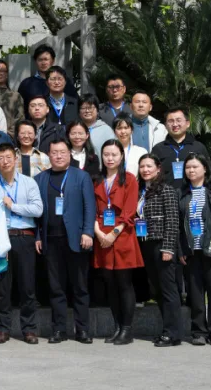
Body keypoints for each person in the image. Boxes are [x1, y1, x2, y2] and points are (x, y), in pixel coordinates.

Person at [35, 138, 96, 344]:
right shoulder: (41, 178)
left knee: (80, 287)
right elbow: (36, 213)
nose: (59, 156)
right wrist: (38, 236)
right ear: (49, 155)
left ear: (70, 154)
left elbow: (90, 206)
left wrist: (88, 232)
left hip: (77, 239)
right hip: (51, 240)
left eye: (62, 152)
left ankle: (82, 330)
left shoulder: (81, 176)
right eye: (54, 152)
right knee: (56, 288)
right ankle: (59, 330)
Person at [0, 143, 43, 345]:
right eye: (1, 158)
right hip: (3, 239)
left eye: (8, 157)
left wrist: (13, 206)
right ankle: (3, 329)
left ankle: (29, 329)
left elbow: (38, 210)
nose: (5, 161)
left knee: (27, 287)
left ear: (16, 159)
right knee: (2, 288)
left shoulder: (29, 183)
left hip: (25, 237)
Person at [92, 140, 143, 345]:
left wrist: (114, 233)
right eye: (106, 154)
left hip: (122, 236)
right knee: (110, 284)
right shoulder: (97, 180)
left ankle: (127, 329)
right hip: (101, 236)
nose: (110, 158)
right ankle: (117, 327)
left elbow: (130, 211)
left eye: (114, 154)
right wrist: (98, 233)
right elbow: (92, 209)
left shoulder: (129, 179)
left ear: (121, 156)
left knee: (124, 283)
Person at [180, 154, 211, 347]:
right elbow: (178, 226)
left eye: (195, 167)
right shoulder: (182, 194)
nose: (191, 170)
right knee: (195, 293)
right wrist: (181, 250)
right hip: (192, 252)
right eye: (188, 167)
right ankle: (198, 331)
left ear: (205, 169)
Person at [136, 154, 182, 347]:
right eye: (142, 166)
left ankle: (173, 333)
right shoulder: (141, 191)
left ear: (158, 168)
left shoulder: (166, 190)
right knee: (157, 289)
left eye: (149, 166)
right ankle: (167, 330)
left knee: (168, 290)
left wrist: (168, 248)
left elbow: (172, 220)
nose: (145, 170)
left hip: (161, 244)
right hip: (146, 243)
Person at [152, 106, 211, 188]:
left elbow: (209, 175)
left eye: (178, 120)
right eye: (171, 121)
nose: (175, 124)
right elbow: (152, 176)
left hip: (193, 194)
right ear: (165, 125)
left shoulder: (198, 147)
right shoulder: (158, 149)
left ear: (187, 123)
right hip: (167, 194)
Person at [17, 44, 56, 110]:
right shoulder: (26, 83)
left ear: (52, 61)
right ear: (35, 61)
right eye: (40, 60)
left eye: (46, 59)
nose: (43, 63)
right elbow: (20, 107)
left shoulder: (62, 82)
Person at [0, 59, 24, 126]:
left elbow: (20, 119)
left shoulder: (15, 96)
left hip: (10, 132)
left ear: (7, 74)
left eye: (1, 71)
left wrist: (9, 132)